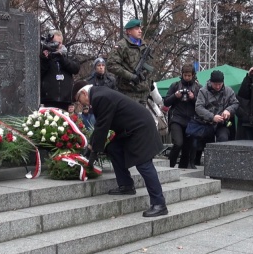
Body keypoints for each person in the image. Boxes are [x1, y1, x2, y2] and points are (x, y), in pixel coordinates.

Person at [72, 80, 168, 217]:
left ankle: (159, 204)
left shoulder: (100, 97)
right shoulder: (99, 94)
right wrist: (90, 147)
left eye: (78, 100)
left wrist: (91, 154)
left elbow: (102, 127)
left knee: (144, 164)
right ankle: (126, 185)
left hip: (140, 127)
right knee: (113, 148)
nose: (80, 104)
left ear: (83, 93)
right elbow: (101, 125)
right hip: (130, 129)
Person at [191, 70, 239, 169]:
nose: (217, 87)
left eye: (220, 84)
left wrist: (228, 110)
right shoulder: (203, 91)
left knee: (223, 139)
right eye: (215, 84)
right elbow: (198, 107)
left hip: (223, 123)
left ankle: (222, 165)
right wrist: (212, 117)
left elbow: (235, 103)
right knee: (206, 144)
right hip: (206, 123)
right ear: (211, 82)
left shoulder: (228, 91)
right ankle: (204, 164)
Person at [164, 64, 202, 169]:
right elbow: (166, 102)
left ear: (193, 75)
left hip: (191, 120)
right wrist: (175, 96)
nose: (187, 77)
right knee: (178, 143)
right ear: (182, 74)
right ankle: (170, 166)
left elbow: (202, 105)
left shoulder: (198, 87)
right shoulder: (175, 85)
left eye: (189, 75)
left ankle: (183, 168)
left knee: (187, 147)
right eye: (185, 75)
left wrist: (193, 98)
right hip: (177, 118)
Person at [108, 19, 151, 104]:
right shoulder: (121, 45)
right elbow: (111, 65)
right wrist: (131, 76)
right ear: (129, 31)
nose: (140, 31)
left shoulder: (144, 45)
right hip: (127, 92)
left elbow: (148, 64)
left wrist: (143, 74)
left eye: (140, 28)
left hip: (142, 92)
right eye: (136, 29)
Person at [40, 30, 80, 109]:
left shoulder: (69, 55)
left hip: (66, 100)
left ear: (61, 43)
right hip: (48, 99)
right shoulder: (44, 54)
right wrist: (46, 59)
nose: (56, 45)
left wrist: (62, 59)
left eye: (58, 43)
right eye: (53, 42)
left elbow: (76, 69)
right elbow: (39, 72)